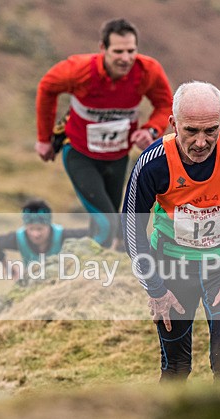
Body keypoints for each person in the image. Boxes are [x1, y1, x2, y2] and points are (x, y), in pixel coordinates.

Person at [122, 81, 220, 386]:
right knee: (176, 367)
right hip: (172, 264)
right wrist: (156, 289)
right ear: (173, 124)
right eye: (191, 131)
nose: (200, 142)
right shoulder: (153, 164)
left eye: (210, 131)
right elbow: (132, 227)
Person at [35, 18, 173, 250]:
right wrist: (43, 138)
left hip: (117, 158)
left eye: (131, 51)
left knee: (103, 223)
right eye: (118, 51)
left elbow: (165, 104)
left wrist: (151, 130)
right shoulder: (79, 70)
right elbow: (47, 87)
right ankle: (78, 265)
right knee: (107, 224)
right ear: (103, 48)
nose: (126, 58)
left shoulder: (147, 71)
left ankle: (87, 269)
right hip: (80, 154)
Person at [0, 199, 90, 281]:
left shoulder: (63, 235)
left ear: (48, 225)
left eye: (40, 229)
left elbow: (93, 233)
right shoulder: (18, 238)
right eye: (31, 229)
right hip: (32, 284)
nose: (35, 234)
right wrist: (10, 270)